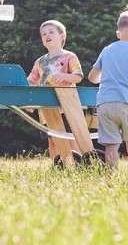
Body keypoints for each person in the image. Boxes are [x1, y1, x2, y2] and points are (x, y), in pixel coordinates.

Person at [88, 4, 128, 170]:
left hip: (105, 103)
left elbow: (92, 77)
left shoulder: (107, 50)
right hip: (127, 103)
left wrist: (106, 77)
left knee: (111, 143)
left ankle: (111, 173)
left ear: (119, 34)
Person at [27, 20, 83, 162]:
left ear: (62, 36)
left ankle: (77, 165)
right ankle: (57, 167)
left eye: (51, 32)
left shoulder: (70, 56)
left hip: (66, 106)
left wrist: (64, 76)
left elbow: (78, 77)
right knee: (52, 140)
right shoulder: (39, 62)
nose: (47, 35)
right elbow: (31, 82)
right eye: (44, 34)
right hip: (46, 108)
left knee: (70, 137)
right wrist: (28, 101)